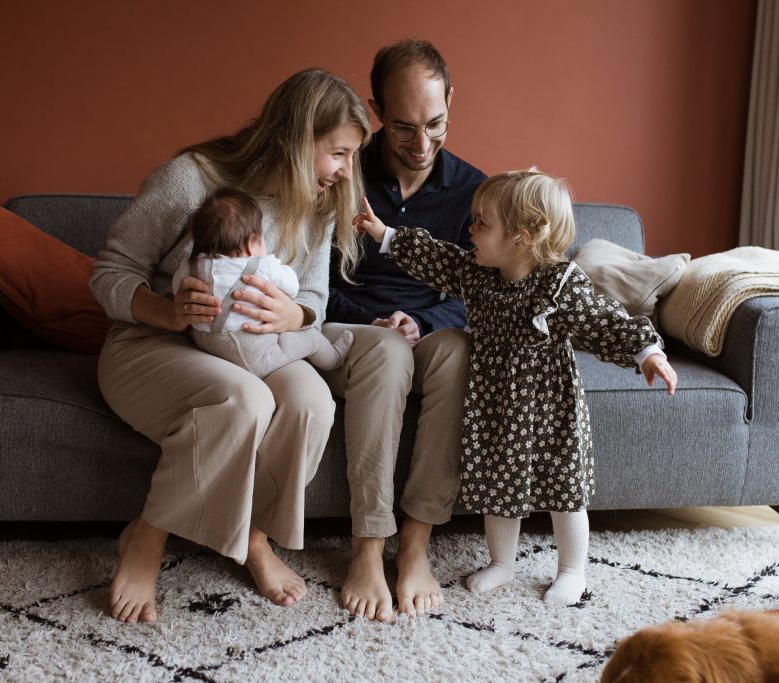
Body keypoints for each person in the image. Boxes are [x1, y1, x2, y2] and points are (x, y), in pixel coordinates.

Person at [89, 69, 370, 623]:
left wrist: (297, 313)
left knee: (312, 403)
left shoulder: (313, 201)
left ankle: (254, 537)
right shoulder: (190, 180)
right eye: (338, 153)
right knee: (246, 401)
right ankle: (147, 535)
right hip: (151, 345)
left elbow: (314, 294)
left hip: (256, 348)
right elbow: (109, 274)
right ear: (296, 139)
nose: (345, 171)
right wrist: (165, 309)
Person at [354, 169, 678, 605]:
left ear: (522, 238)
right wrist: (385, 235)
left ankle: (571, 571)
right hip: (496, 405)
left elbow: (603, 319)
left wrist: (647, 353)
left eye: (482, 224)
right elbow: (438, 258)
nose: (470, 229)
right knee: (497, 488)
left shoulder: (559, 285)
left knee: (565, 492)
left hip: (550, 409)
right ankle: (502, 564)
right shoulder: (478, 273)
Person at [321, 39, 485, 621]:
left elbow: (482, 292)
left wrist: (425, 320)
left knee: (461, 354)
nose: (421, 145)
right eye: (403, 128)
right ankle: (367, 549)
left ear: (450, 104)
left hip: (430, 330)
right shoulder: (340, 171)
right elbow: (310, 279)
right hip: (352, 329)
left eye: (436, 124)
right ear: (374, 113)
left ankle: (414, 547)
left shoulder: (474, 192)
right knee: (387, 353)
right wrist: (374, 322)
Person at [175, 186, 355, 378]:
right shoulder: (262, 265)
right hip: (253, 354)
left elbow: (178, 287)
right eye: (262, 238)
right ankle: (335, 359)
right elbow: (293, 287)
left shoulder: (192, 264)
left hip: (204, 341)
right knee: (310, 339)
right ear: (251, 244)